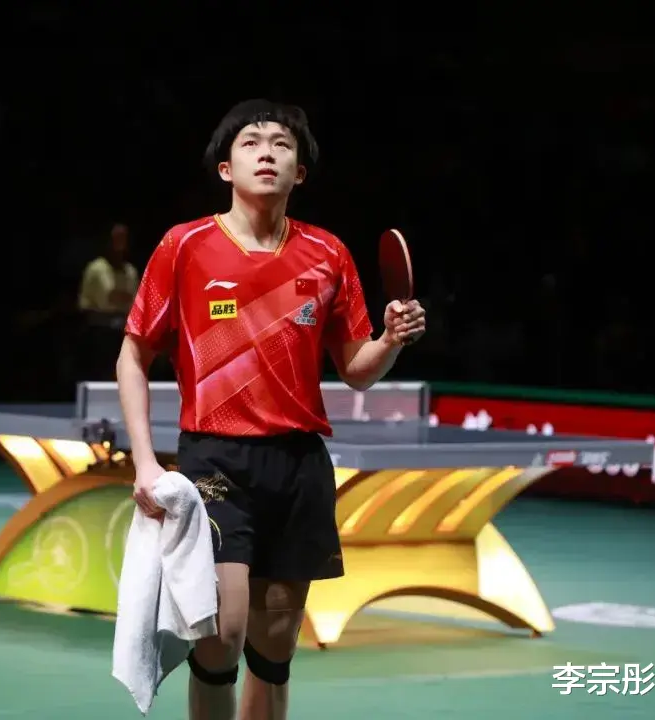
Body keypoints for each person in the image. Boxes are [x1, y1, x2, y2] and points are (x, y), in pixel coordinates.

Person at [116, 99, 426, 720]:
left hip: (298, 464)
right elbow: (133, 354)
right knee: (221, 634)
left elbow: (356, 369)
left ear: (299, 172)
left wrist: (390, 340)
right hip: (215, 459)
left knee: (276, 643)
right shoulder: (185, 246)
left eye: (282, 145)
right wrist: (145, 462)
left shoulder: (328, 253)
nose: (267, 153)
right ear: (226, 168)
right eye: (251, 143)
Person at [78, 222, 139, 379]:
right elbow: (84, 306)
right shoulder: (95, 269)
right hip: (101, 330)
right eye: (116, 239)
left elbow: (135, 306)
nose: (119, 244)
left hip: (125, 332)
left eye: (123, 239)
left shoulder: (131, 272)